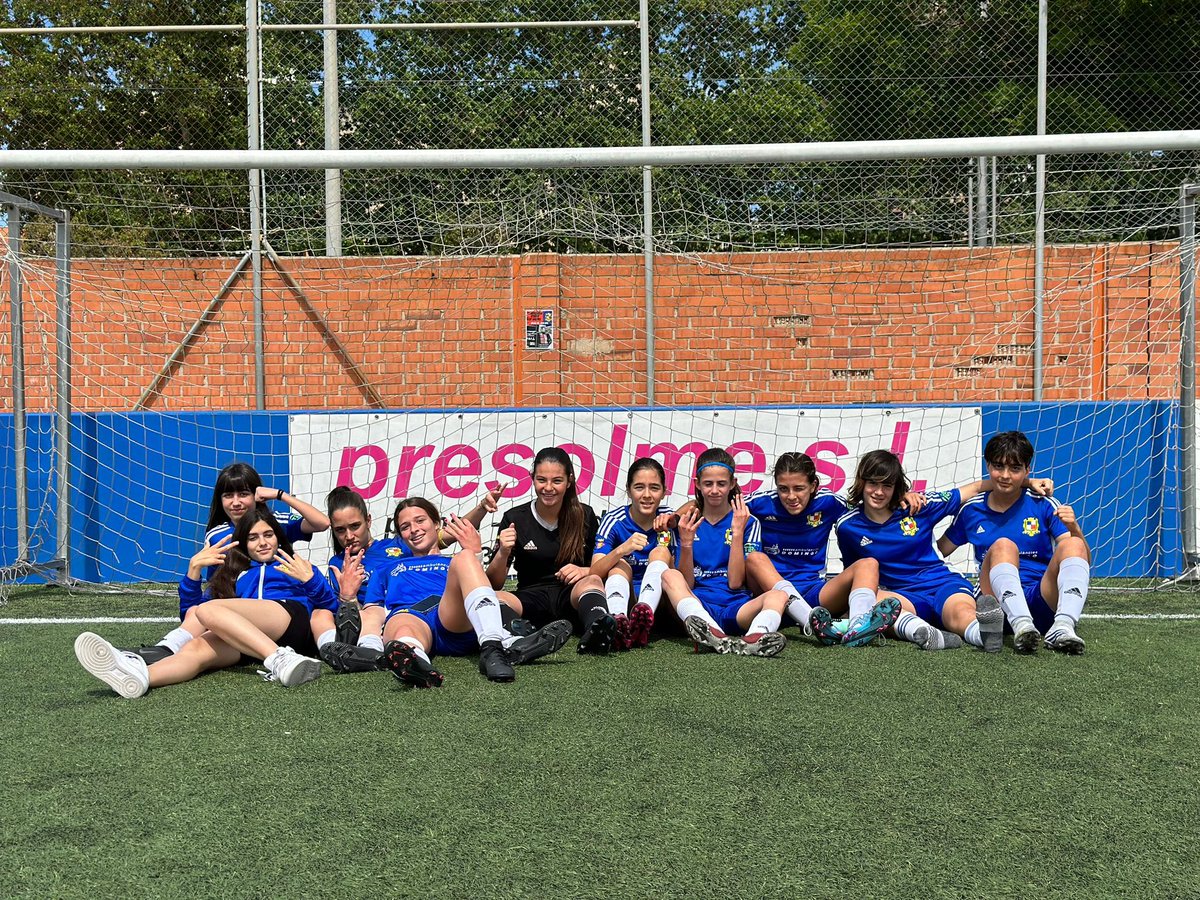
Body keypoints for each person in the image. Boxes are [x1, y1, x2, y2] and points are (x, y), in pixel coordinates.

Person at [74, 505, 333, 698]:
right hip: (251, 640)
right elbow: (191, 615)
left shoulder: (295, 564)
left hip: (290, 621)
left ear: (278, 537)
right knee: (196, 648)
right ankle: (138, 676)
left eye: (268, 534)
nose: (263, 542)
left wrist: (310, 580)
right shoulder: (236, 572)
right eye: (253, 537)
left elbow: (329, 606)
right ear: (244, 543)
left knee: (210, 609)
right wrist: (193, 573)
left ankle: (280, 659)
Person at [835, 450, 1050, 652]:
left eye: (888, 485)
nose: (879, 492)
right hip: (901, 593)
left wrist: (1027, 482)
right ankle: (925, 633)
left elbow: (974, 489)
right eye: (873, 483)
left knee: (962, 612)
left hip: (942, 583)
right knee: (876, 604)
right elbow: (859, 574)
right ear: (862, 482)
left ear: (897, 487)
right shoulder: (848, 526)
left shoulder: (920, 507)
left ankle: (983, 636)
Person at [125, 461, 330, 664]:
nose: (236, 502)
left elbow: (322, 523)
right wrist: (193, 570)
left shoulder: (275, 523)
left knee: (209, 610)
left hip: (280, 619)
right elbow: (215, 590)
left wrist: (279, 494)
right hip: (237, 622)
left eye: (243, 494)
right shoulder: (217, 536)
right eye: (228, 496)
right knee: (202, 617)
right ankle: (164, 650)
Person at [370, 498, 571, 687]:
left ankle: (493, 646)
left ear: (437, 524)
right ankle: (416, 665)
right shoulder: (387, 568)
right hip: (413, 616)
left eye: (420, 521)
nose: (414, 530)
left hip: (450, 617)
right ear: (400, 535)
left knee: (465, 558)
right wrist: (368, 642)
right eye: (405, 527)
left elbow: (487, 590)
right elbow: (372, 609)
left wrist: (475, 554)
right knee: (403, 627)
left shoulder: (453, 562)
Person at [743, 451, 923, 647]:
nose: (791, 496)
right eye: (783, 489)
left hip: (814, 593)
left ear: (813, 487)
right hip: (771, 594)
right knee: (754, 558)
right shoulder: (760, 503)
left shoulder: (829, 502)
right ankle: (810, 621)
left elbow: (869, 507)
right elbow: (722, 506)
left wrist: (900, 496)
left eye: (799, 488)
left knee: (868, 564)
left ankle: (856, 627)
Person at [938, 430, 1090, 654]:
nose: (1005, 475)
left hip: (1040, 597)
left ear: (1027, 470)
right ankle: (1021, 625)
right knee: (1003, 545)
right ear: (988, 466)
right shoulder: (971, 510)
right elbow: (938, 553)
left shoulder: (1044, 504)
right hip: (995, 607)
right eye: (998, 466)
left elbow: (1082, 556)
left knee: (1073, 544)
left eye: (1015, 468)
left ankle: (1064, 626)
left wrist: (1075, 529)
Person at [658, 448, 788, 657]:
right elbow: (687, 584)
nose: (715, 490)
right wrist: (687, 543)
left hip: (735, 606)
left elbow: (735, 582)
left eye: (721, 484)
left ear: (733, 483)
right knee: (669, 575)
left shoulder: (748, 521)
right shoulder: (685, 522)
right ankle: (712, 632)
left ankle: (754, 638)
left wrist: (737, 533)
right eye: (708, 484)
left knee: (779, 595)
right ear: (697, 484)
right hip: (698, 605)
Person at [486, 447, 612, 654]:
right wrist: (502, 553)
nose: (548, 487)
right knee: (494, 598)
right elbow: (494, 583)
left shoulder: (584, 515)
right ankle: (524, 636)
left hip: (571, 596)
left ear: (569, 481)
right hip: (531, 597)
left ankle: (597, 627)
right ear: (532, 478)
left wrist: (585, 571)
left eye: (557, 481)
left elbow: (601, 566)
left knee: (594, 581)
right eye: (541, 480)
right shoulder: (515, 518)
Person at [590, 458, 675, 649]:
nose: (646, 495)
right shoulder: (614, 520)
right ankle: (619, 620)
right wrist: (622, 549)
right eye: (639, 487)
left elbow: (697, 504)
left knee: (661, 551)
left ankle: (643, 613)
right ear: (628, 490)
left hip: (661, 605)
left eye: (654, 488)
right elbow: (594, 572)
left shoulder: (670, 519)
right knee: (619, 565)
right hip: (625, 598)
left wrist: (673, 520)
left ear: (664, 491)